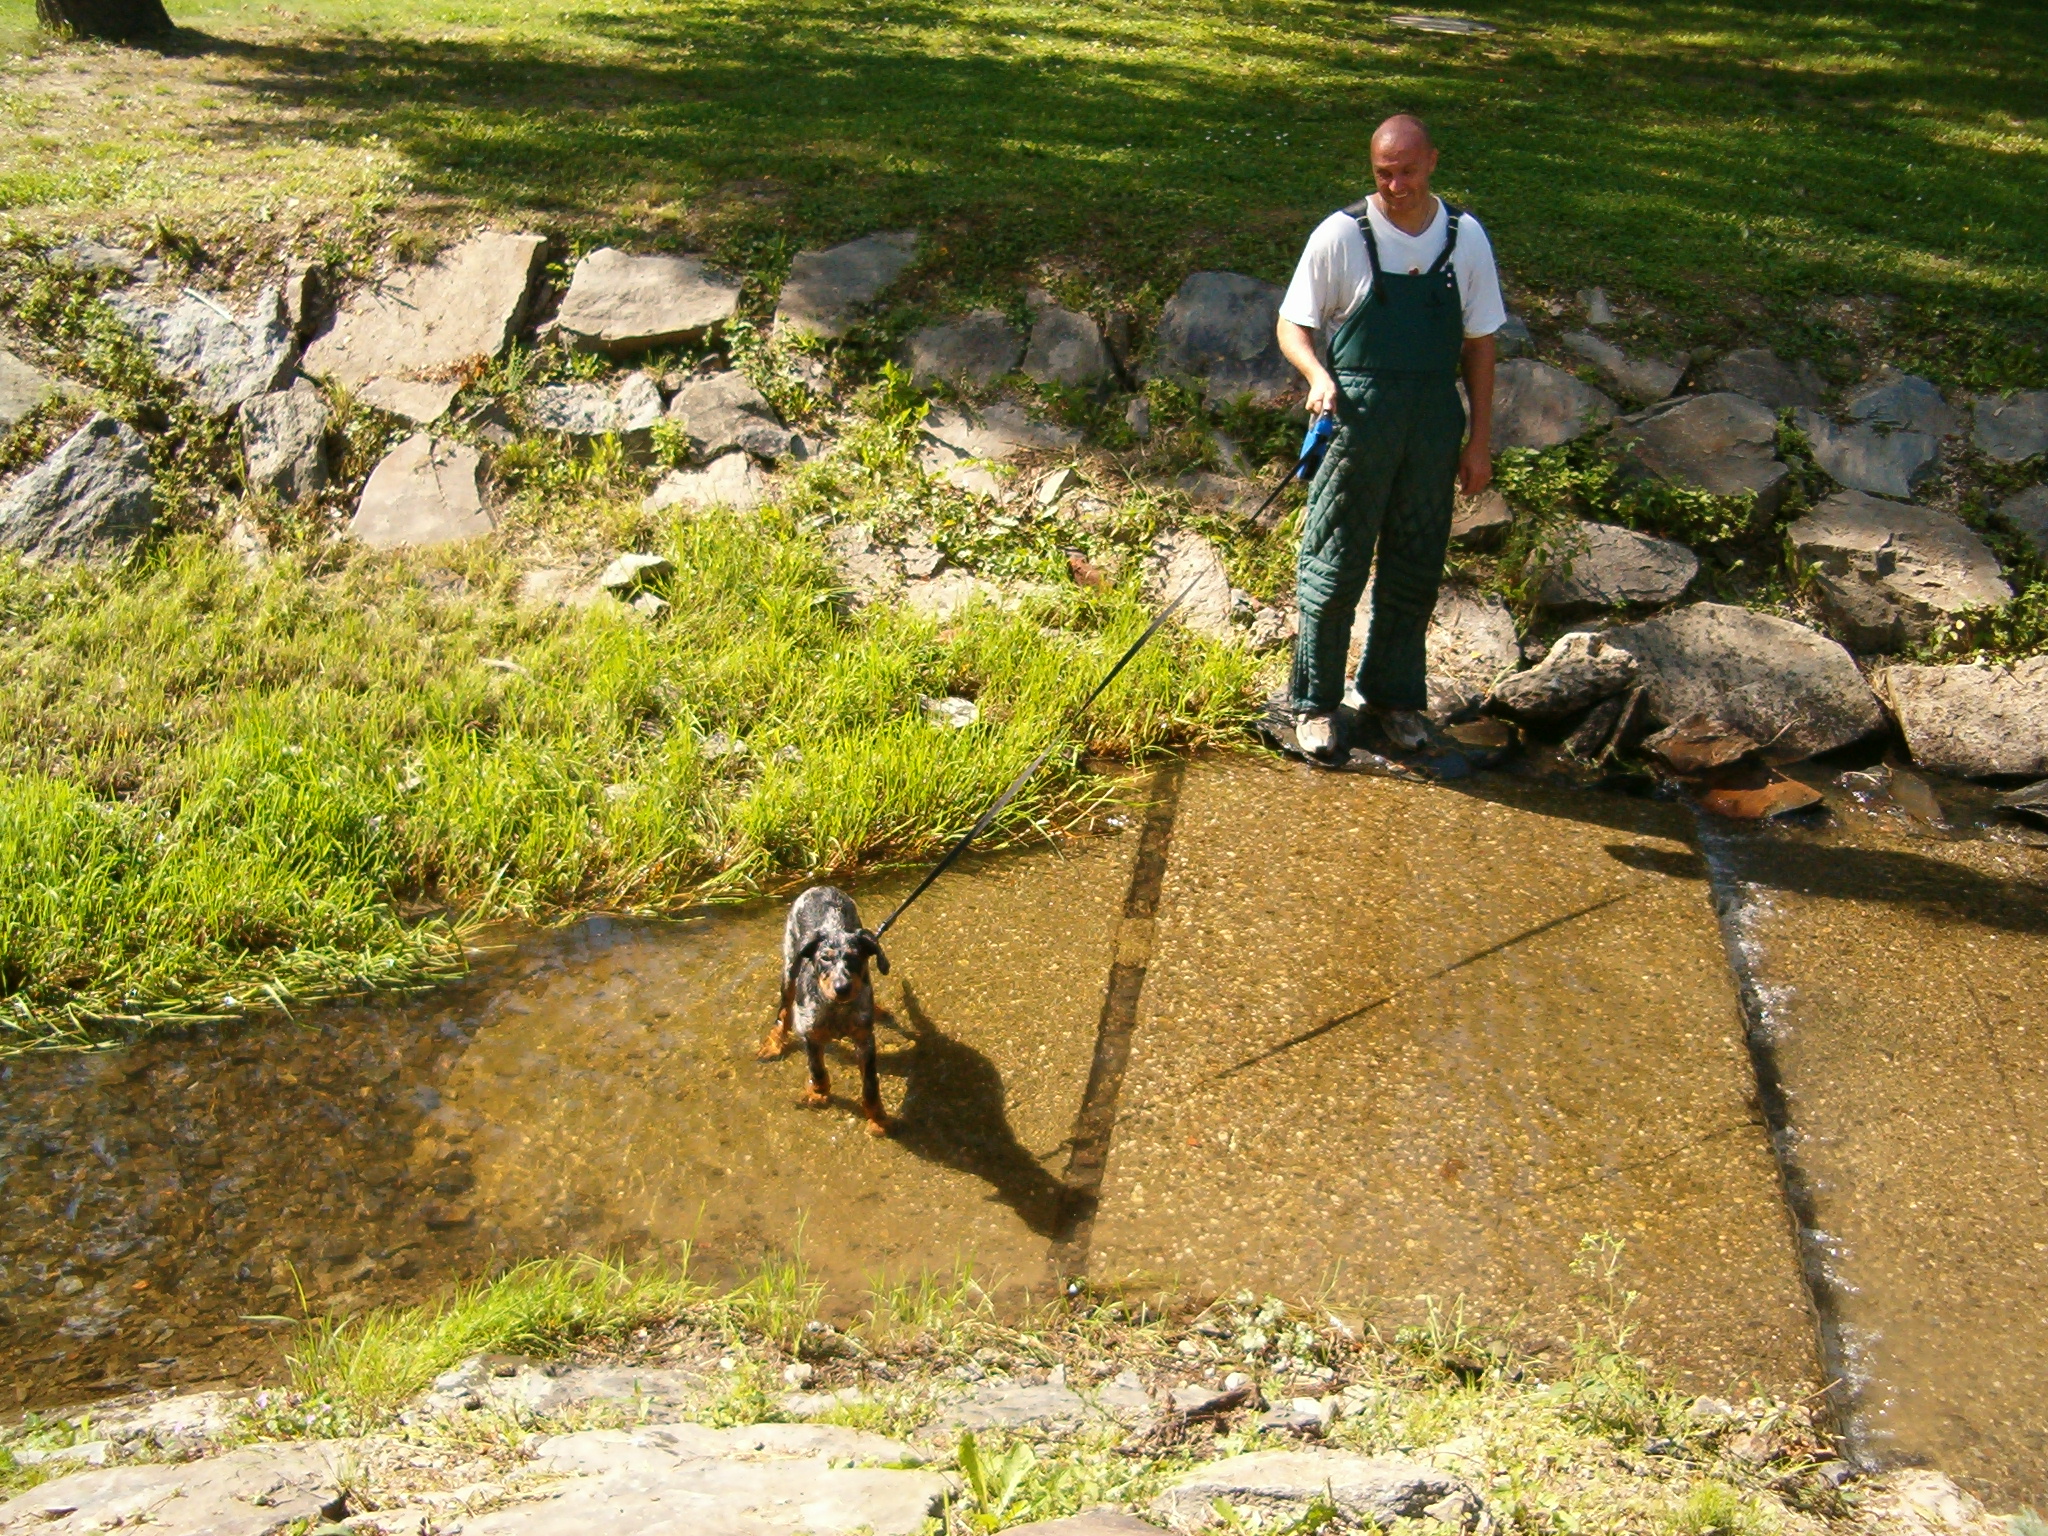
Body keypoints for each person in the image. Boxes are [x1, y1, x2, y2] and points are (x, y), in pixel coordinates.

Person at [1275, 113, 1504, 758]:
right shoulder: (1342, 234)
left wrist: (1479, 440)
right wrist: (1317, 374)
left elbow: (1480, 344)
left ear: (1432, 160)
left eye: (1406, 170)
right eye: (1383, 172)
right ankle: (1315, 705)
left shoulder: (1466, 237)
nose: (1395, 184)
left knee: (1414, 565)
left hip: (1433, 424)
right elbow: (1293, 325)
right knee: (1334, 563)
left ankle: (1393, 698)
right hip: (1355, 422)